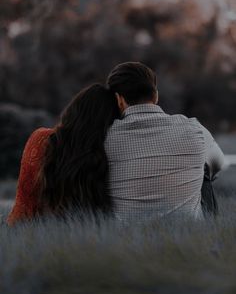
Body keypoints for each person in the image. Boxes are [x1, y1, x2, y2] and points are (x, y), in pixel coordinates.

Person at [105, 61, 225, 220]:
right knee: (204, 177)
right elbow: (218, 164)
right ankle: (211, 235)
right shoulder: (194, 129)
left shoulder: (104, 137)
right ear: (156, 95)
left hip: (124, 239)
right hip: (187, 236)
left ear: (118, 99)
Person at [7, 84, 120, 225]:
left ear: (74, 110)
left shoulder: (42, 140)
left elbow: (24, 204)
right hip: (97, 237)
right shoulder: (113, 147)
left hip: (41, 235)